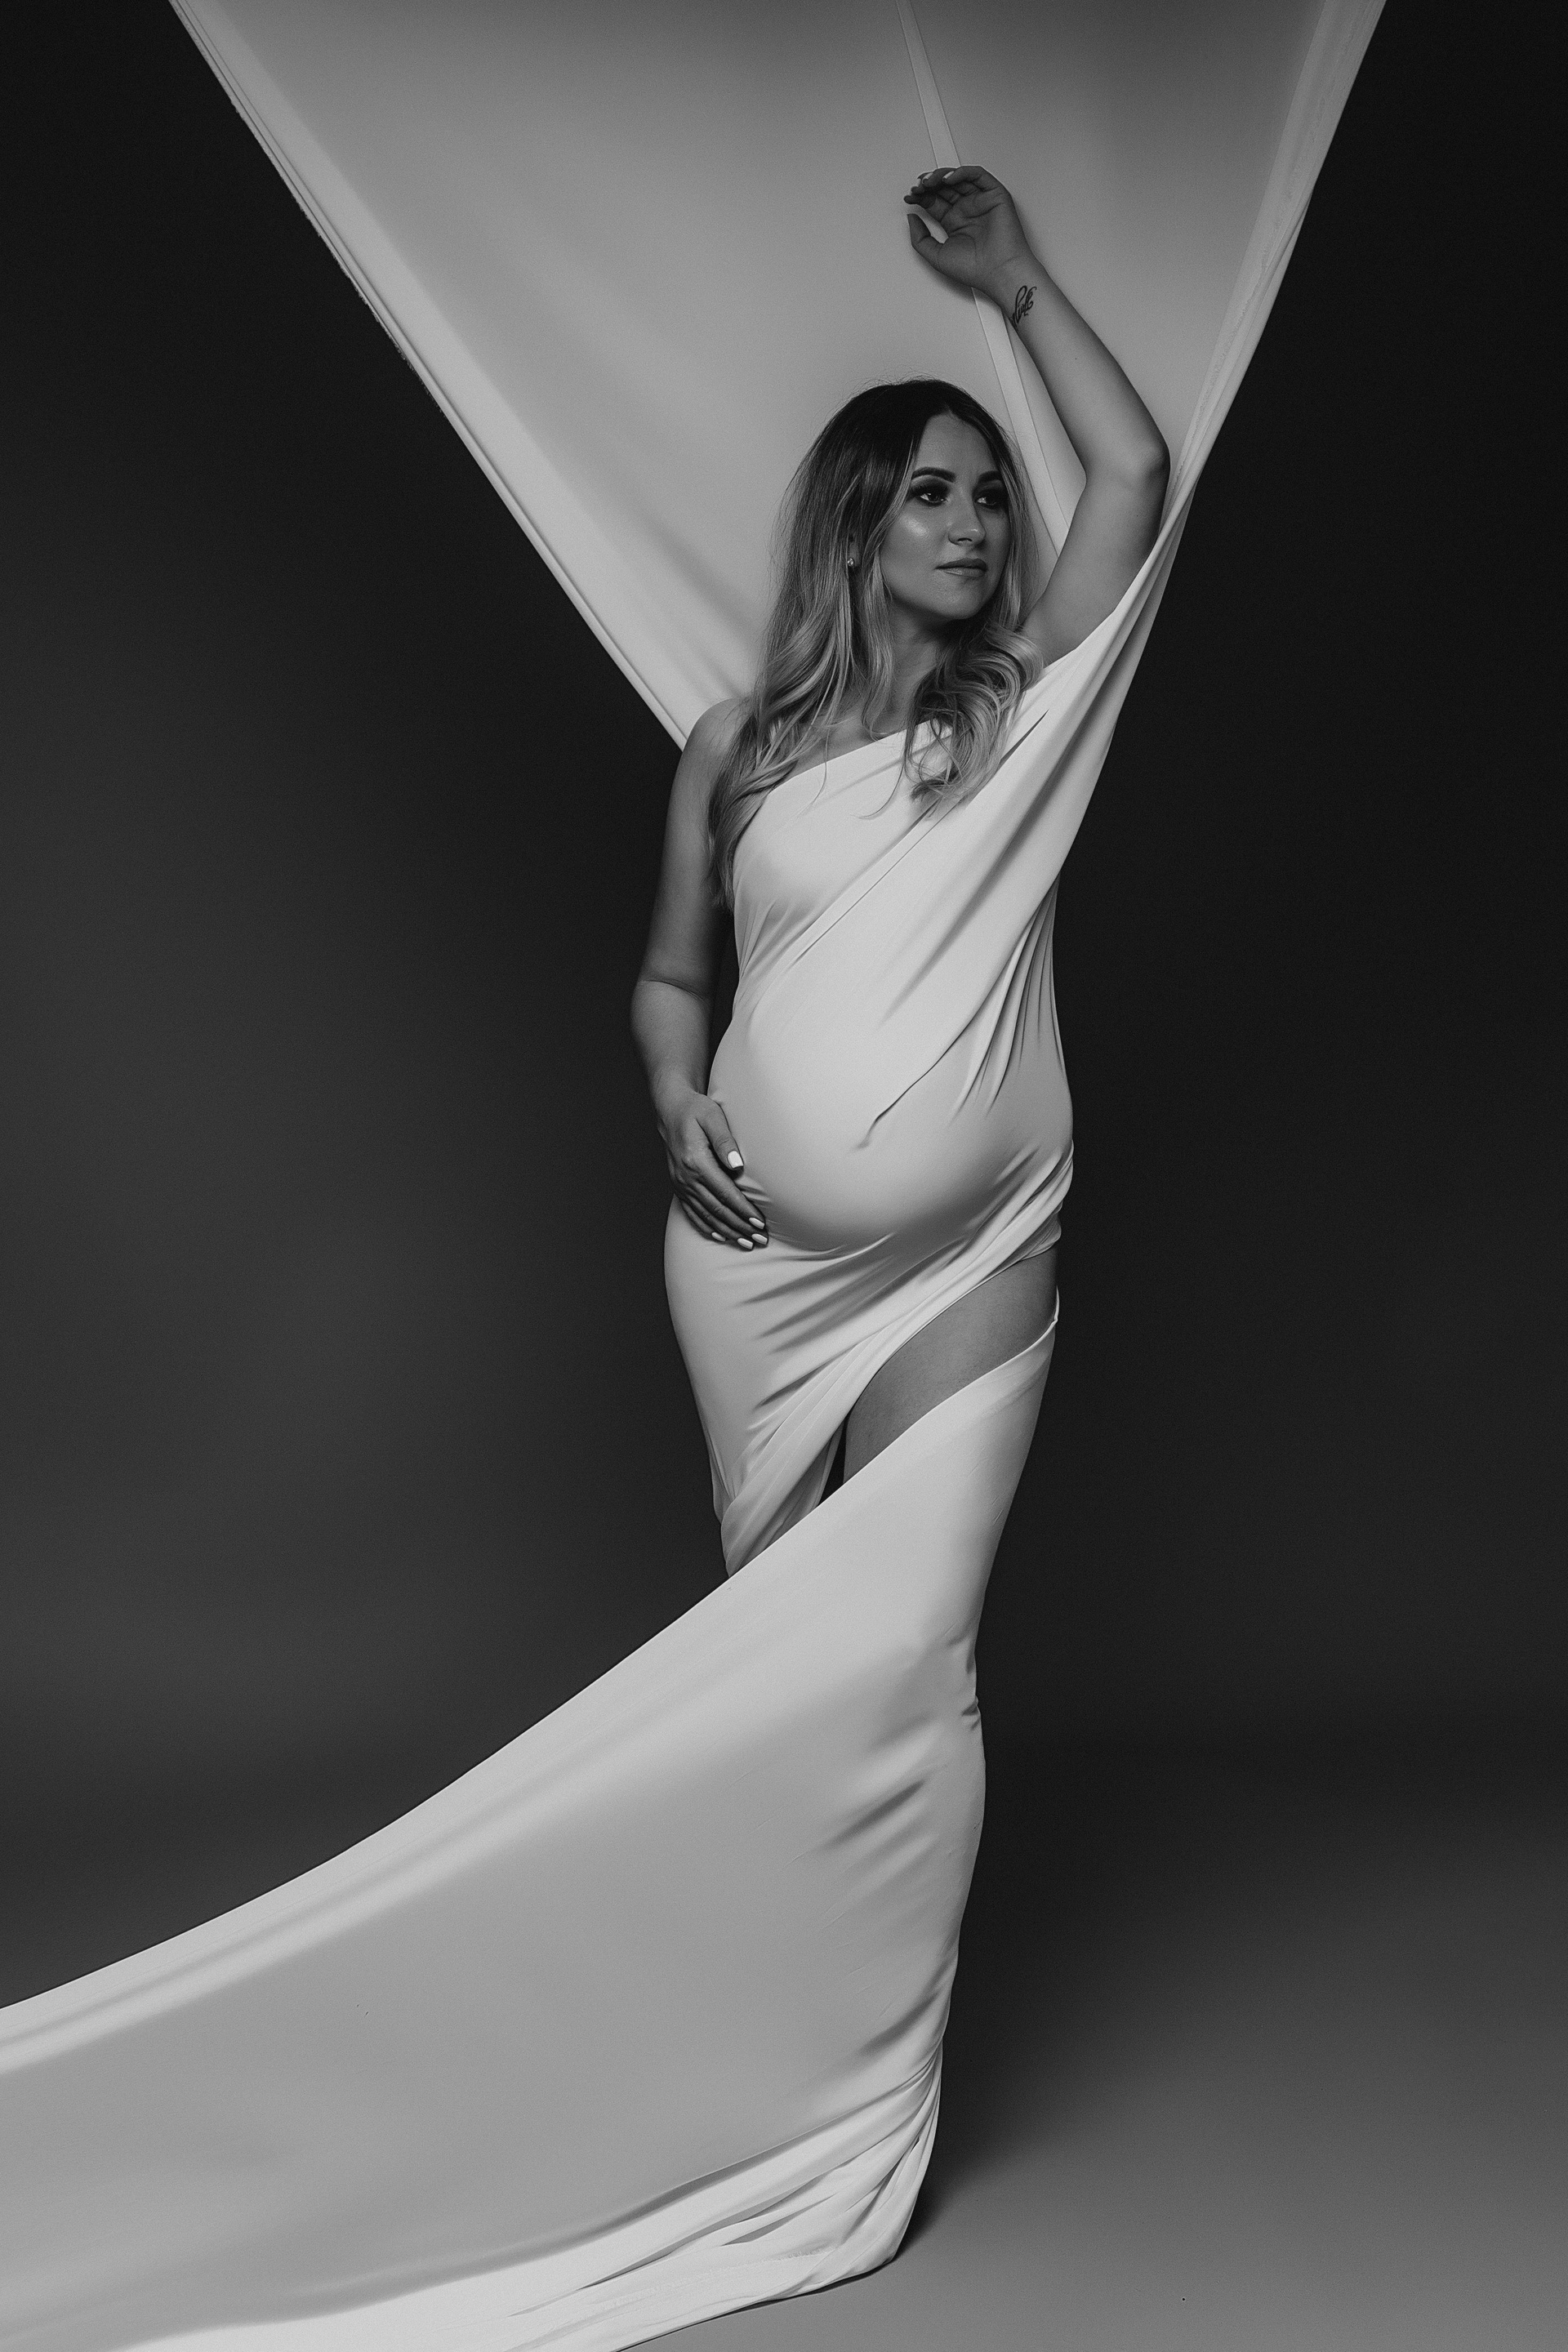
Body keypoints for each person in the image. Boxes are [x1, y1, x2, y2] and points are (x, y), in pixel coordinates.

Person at [632, 165, 1167, 1561]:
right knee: (793, 1635)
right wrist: (675, 1097)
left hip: (973, 1246)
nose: (974, 526)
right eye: (931, 496)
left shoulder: (1017, 710)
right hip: (755, 1264)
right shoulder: (737, 748)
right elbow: (673, 977)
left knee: (906, 1619)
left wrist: (1011, 275)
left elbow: (1133, 470)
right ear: (859, 526)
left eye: (989, 497)